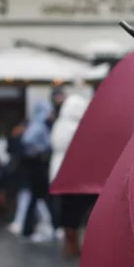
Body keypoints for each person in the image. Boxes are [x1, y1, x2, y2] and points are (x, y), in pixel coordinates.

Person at [48, 93, 93, 257]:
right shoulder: (77, 127)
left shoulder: (59, 124)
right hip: (76, 175)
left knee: (67, 213)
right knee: (77, 211)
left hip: (59, 174)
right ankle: (73, 246)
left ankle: (69, 245)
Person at [19, 99, 56, 243]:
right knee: (42, 197)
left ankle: (28, 229)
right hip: (38, 166)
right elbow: (28, 141)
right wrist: (41, 150)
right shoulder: (38, 126)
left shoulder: (39, 125)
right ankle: (54, 226)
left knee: (37, 198)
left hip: (37, 166)